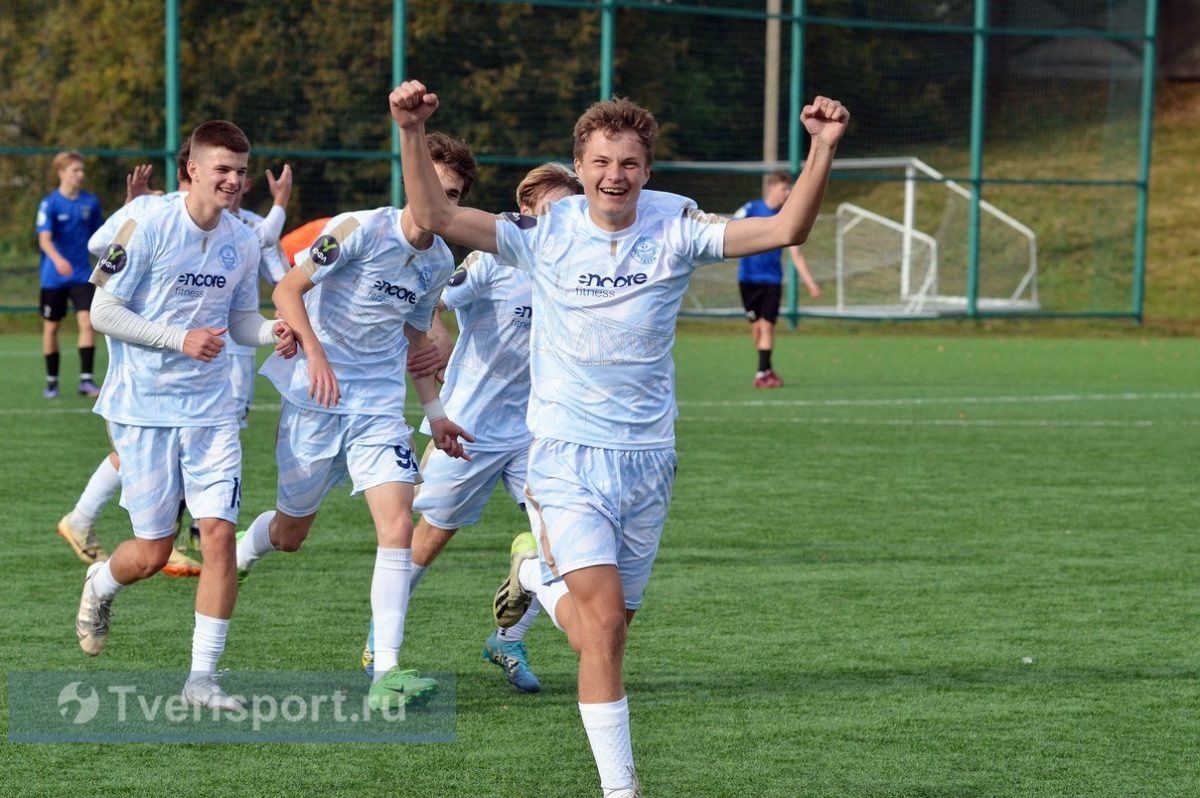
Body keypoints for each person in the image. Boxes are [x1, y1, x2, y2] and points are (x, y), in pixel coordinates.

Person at [389, 79, 847, 797]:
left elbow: (785, 229)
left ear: (647, 170)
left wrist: (821, 147)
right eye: (601, 162)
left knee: (604, 632)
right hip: (565, 457)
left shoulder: (675, 226)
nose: (615, 175)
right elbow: (436, 213)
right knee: (602, 629)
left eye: (629, 162)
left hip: (648, 461)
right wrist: (412, 131)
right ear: (580, 167)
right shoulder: (546, 233)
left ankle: (536, 576)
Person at [233, 131, 476, 710]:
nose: (440, 202)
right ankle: (246, 549)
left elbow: (416, 342)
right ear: (412, 181)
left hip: (377, 408)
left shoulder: (440, 260)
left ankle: (385, 672)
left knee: (397, 527)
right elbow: (287, 290)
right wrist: (315, 353)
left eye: (453, 195)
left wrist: (437, 414)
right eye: (434, 188)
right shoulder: (358, 229)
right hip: (314, 399)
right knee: (291, 535)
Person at [73, 120, 297, 713]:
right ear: (192, 169)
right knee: (152, 553)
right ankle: (101, 582)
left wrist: (274, 331)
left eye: (241, 171)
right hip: (142, 408)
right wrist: (178, 338)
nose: (234, 180)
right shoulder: (146, 223)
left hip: (211, 411)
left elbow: (240, 320)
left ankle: (202, 679)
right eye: (222, 169)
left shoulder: (244, 238)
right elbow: (102, 310)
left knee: (218, 536)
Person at [360, 163, 584, 693]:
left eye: (571, 211)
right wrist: (435, 333)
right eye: (552, 209)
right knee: (429, 537)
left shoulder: (578, 264)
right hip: (469, 426)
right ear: (525, 210)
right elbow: (432, 300)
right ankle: (379, 644)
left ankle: (508, 639)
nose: (563, 220)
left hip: (538, 429)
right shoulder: (492, 258)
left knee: (566, 540)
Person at [733, 170, 822, 388]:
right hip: (748, 280)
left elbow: (796, 254)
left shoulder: (785, 217)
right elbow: (729, 227)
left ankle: (761, 373)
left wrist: (810, 283)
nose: (788, 192)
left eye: (789, 188)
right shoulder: (751, 209)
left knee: (767, 326)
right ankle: (766, 367)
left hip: (772, 280)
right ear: (771, 188)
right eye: (784, 188)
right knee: (757, 327)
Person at [37, 151, 103, 399]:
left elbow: (101, 237)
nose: (80, 174)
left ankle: (86, 381)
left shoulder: (90, 202)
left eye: (82, 170)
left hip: (82, 275)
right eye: (75, 170)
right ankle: (52, 382)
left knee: (87, 323)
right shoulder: (50, 203)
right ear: (61, 173)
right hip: (54, 277)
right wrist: (58, 260)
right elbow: (44, 239)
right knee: (51, 327)